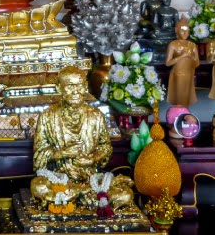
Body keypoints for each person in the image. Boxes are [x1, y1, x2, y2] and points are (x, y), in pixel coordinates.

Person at [31, 66, 136, 212]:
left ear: (85, 86)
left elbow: (106, 147)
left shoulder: (95, 115)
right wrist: (62, 153)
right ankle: (86, 195)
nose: (75, 91)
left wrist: (93, 159)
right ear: (59, 88)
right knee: (38, 186)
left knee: (125, 195)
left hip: (91, 178)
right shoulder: (47, 116)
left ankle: (75, 194)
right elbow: (38, 156)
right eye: (70, 86)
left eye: (79, 85)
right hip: (59, 179)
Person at [165, 17, 199, 107]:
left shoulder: (192, 45)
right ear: (176, 30)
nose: (185, 33)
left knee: (187, 98)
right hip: (178, 74)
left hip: (189, 74)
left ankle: (185, 116)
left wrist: (191, 57)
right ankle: (179, 116)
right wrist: (182, 56)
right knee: (179, 99)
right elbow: (168, 63)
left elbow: (197, 63)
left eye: (187, 31)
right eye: (182, 31)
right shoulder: (173, 44)